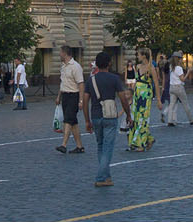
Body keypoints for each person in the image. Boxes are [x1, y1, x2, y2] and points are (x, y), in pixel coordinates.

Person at [84, 50, 131, 187]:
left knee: (100, 146)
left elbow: (85, 100)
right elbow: (123, 98)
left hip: (96, 116)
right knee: (108, 147)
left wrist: (87, 120)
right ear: (109, 63)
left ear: (97, 65)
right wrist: (128, 115)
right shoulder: (114, 79)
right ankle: (100, 177)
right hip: (110, 116)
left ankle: (106, 177)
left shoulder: (91, 80)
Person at [56, 45, 86, 153]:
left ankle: (64, 144)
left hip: (74, 95)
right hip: (65, 95)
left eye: (60, 52)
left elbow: (81, 84)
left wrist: (81, 100)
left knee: (68, 119)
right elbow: (62, 82)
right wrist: (59, 96)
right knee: (73, 122)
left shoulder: (75, 66)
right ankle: (79, 146)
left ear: (65, 53)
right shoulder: (63, 66)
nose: (59, 54)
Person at [127, 51, 159, 151]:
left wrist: (158, 99)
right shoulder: (137, 66)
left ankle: (140, 144)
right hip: (137, 94)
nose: (137, 56)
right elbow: (135, 81)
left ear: (144, 56)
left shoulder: (151, 68)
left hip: (146, 95)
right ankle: (149, 139)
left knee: (143, 119)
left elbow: (157, 84)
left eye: (139, 55)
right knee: (136, 118)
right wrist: (132, 94)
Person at [165, 54, 193, 126]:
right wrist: (188, 72)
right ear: (179, 59)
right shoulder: (179, 68)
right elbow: (183, 79)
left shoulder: (171, 67)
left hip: (171, 87)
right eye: (181, 58)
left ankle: (170, 121)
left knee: (171, 105)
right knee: (185, 104)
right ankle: (191, 120)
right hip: (178, 87)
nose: (182, 60)